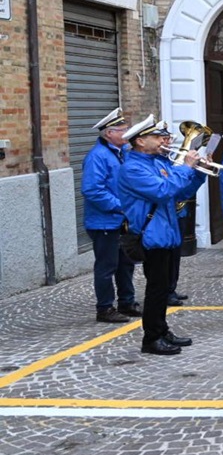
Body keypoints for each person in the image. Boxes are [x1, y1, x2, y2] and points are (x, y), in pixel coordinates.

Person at [116, 116, 205, 355]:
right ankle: (151, 338)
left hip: (166, 232)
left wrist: (197, 173)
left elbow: (179, 193)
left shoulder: (158, 163)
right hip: (151, 235)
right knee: (156, 289)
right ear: (140, 141)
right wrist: (185, 167)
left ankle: (162, 330)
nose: (162, 140)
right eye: (156, 137)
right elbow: (162, 190)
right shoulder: (132, 168)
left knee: (163, 288)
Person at [82, 108, 139, 323]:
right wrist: (121, 206)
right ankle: (104, 308)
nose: (126, 134)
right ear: (109, 134)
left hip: (119, 220)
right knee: (107, 266)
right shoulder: (98, 156)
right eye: (122, 130)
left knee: (126, 263)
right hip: (104, 220)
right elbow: (92, 190)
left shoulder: (120, 153)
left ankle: (127, 301)